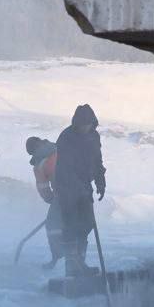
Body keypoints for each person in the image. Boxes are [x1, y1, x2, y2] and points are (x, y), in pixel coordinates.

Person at [54, 104, 106, 277]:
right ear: (76, 123)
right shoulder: (66, 138)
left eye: (89, 124)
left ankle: (80, 262)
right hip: (66, 187)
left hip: (84, 185)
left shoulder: (93, 136)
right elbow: (65, 168)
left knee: (86, 224)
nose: (86, 127)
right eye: (83, 124)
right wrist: (79, 188)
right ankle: (72, 266)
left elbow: (97, 160)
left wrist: (100, 180)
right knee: (71, 225)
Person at [26, 136, 63, 268]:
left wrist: (53, 201)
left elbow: (44, 189)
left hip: (62, 195)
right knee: (77, 226)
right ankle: (78, 261)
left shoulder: (39, 164)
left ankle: (57, 259)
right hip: (81, 190)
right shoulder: (59, 148)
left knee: (53, 226)